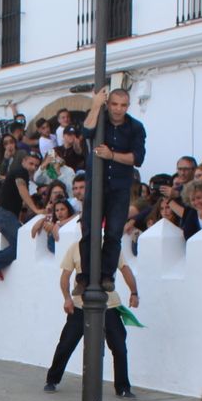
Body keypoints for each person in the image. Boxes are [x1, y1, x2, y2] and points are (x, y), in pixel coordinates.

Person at [45, 236, 138, 398]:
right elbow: (65, 276)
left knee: (119, 346)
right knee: (66, 343)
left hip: (109, 304)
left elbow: (125, 269)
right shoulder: (75, 247)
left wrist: (134, 293)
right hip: (81, 305)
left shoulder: (111, 247)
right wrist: (67, 298)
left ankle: (123, 387)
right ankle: (52, 379)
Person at [81, 88, 146, 289]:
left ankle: (107, 276)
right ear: (108, 104)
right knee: (89, 229)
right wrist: (95, 105)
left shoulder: (135, 127)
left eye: (123, 105)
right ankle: (86, 276)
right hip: (97, 183)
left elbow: (138, 158)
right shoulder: (100, 119)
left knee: (113, 233)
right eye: (114, 104)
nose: (118, 109)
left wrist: (112, 155)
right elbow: (86, 131)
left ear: (128, 106)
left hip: (120, 186)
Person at [0, 151, 41, 286]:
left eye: (36, 165)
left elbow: (21, 202)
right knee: (21, 245)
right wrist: (36, 209)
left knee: (19, 244)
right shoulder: (20, 171)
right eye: (31, 163)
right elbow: (22, 189)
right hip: (4, 214)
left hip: (5, 215)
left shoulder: (20, 173)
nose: (33, 167)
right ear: (23, 161)